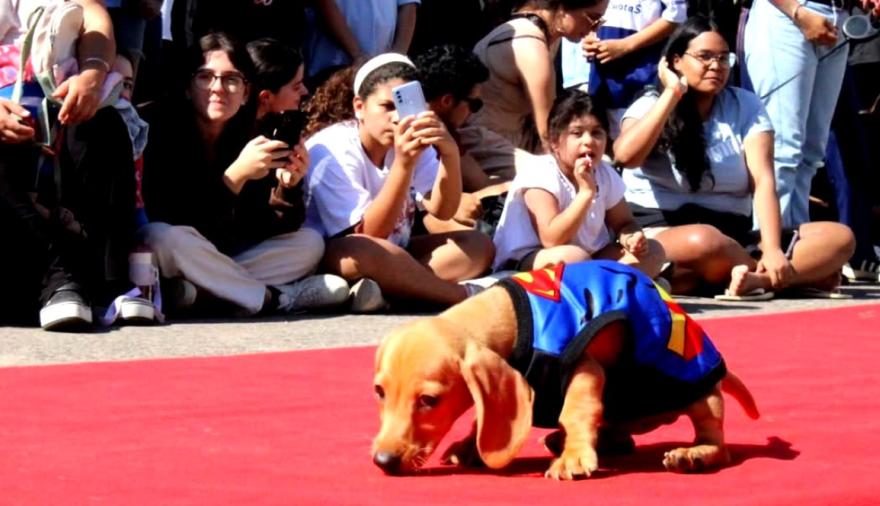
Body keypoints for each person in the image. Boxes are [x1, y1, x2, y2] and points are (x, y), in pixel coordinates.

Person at [613, 16, 855, 297]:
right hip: (664, 231)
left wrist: (774, 248)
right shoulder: (649, 104)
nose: (716, 66)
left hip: (733, 234)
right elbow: (625, 156)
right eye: (704, 57)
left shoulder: (745, 105)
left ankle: (757, 280)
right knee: (703, 241)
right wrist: (672, 93)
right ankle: (792, 276)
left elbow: (763, 182)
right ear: (676, 61)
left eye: (723, 58)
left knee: (839, 238)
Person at [141, 33, 349, 317]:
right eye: (206, 77)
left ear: (246, 93)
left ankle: (201, 293)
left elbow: (262, 227)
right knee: (160, 237)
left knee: (309, 243)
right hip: (176, 251)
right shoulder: (161, 129)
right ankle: (273, 298)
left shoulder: (250, 136)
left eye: (231, 79)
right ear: (189, 87)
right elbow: (176, 219)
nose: (219, 88)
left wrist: (286, 189)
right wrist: (234, 179)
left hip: (218, 258)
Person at [304, 53, 495, 312]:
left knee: (478, 245)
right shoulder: (331, 148)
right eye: (387, 106)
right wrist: (404, 164)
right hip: (342, 255)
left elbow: (443, 210)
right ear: (359, 107)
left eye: (403, 107)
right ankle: (459, 295)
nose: (396, 118)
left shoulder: (412, 138)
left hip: (396, 254)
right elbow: (368, 235)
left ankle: (393, 291)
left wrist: (449, 155)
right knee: (363, 251)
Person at [1, 0, 139, 330]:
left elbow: (93, 18)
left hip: (55, 112)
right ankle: (57, 274)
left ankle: (106, 282)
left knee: (102, 124)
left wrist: (92, 73)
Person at [492, 89, 665, 275]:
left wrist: (631, 237)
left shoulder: (604, 172)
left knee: (654, 252)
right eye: (577, 133)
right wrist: (585, 193)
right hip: (531, 259)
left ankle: (606, 286)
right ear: (554, 141)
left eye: (597, 133)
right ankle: (614, 286)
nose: (588, 141)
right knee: (574, 258)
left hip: (590, 257)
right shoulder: (540, 173)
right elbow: (552, 239)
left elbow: (624, 222)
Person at [742, 0, 877, 227]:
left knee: (812, 152)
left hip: (838, 16)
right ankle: (769, 244)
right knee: (783, 148)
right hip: (788, 14)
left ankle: (795, 240)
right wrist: (797, 12)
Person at [467, 0, 609, 153]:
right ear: (562, 8)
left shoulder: (547, 36)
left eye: (599, 22)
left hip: (512, 144)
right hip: (484, 148)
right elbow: (549, 135)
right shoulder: (531, 45)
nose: (593, 30)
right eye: (591, 18)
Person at [577, 0, 686, 139]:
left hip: (641, 77)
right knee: (601, 143)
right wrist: (589, 36)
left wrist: (626, 45)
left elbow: (676, 15)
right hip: (601, 78)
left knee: (633, 146)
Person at [303, 0, 420, 85]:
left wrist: (396, 57)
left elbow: (408, 5)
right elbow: (325, 5)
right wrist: (357, 54)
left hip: (383, 68)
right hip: (335, 66)